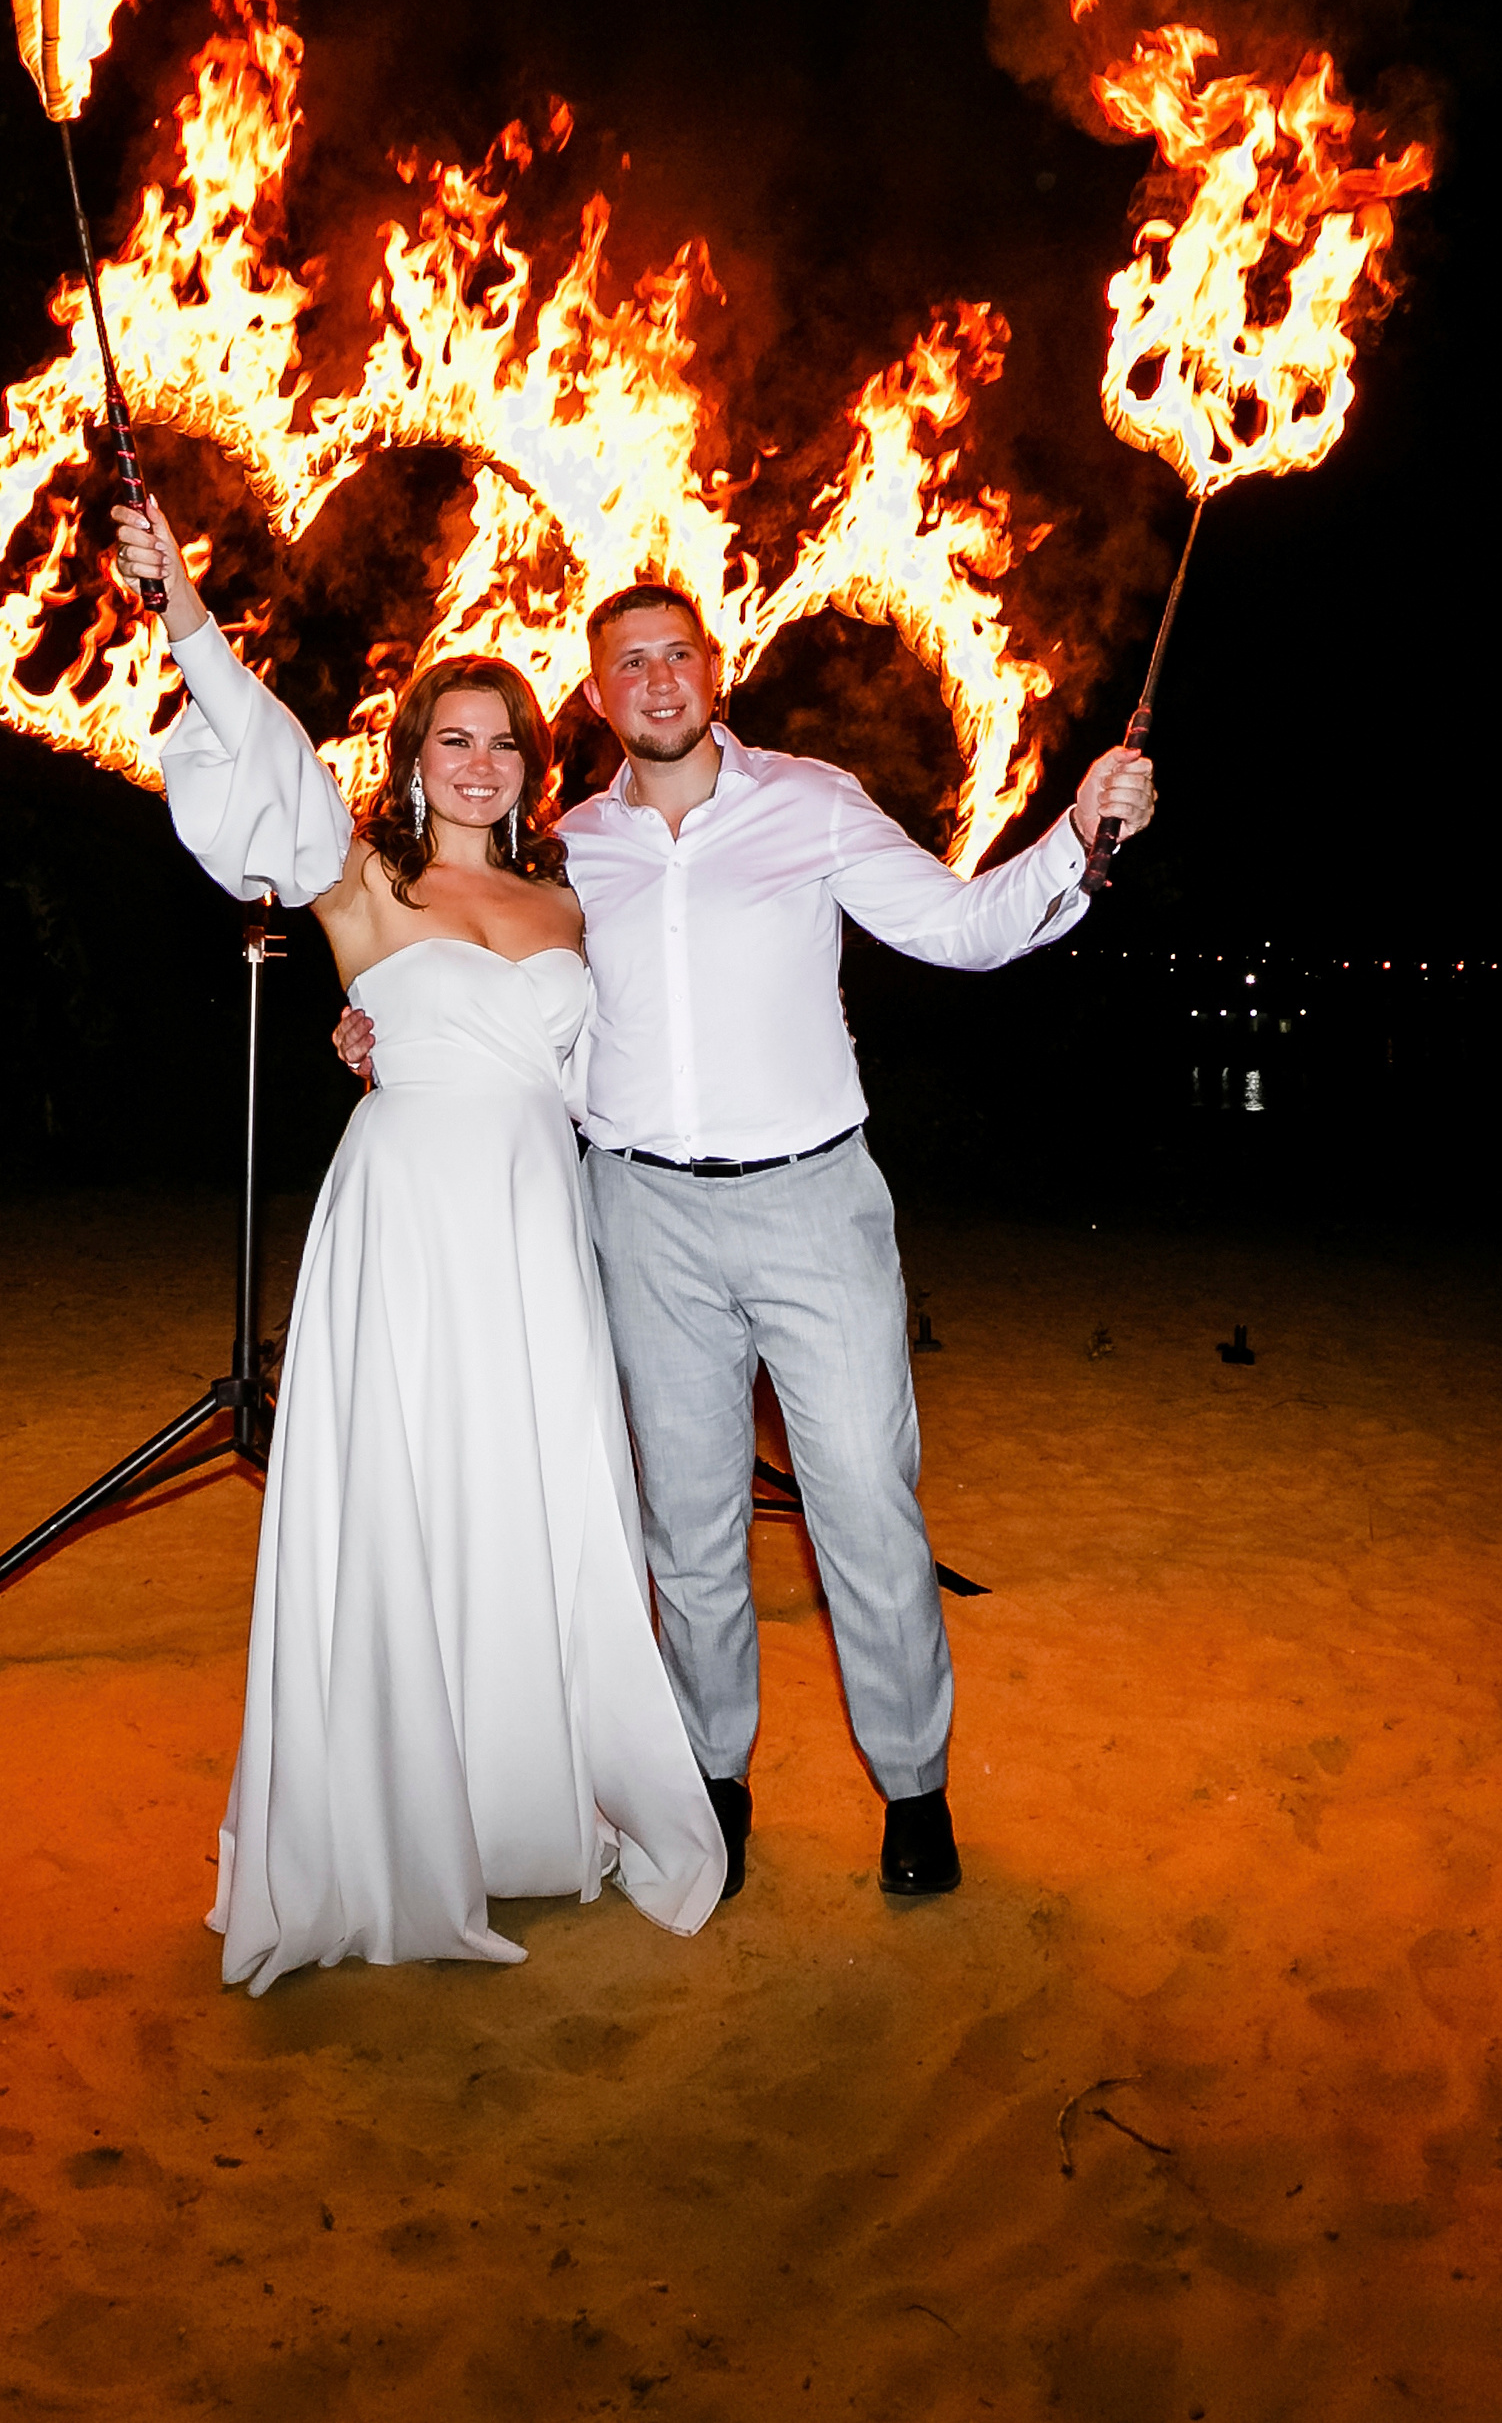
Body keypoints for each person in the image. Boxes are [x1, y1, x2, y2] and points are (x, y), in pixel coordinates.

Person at [337, 583, 1156, 1902]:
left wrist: (1077, 837)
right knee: (689, 1527)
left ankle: (914, 1790)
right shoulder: (564, 852)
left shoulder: (813, 801)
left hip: (812, 1202)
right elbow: (492, 995)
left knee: (866, 1510)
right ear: (595, 699)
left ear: (716, 671)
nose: (656, 681)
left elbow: (958, 928)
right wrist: (378, 1028)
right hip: (641, 1212)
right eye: (627, 667)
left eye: (677, 655)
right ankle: (711, 1778)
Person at [110, 498, 727, 1994]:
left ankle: (524, 1803)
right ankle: (390, 1823)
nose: (482, 763)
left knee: (532, 1498)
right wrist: (190, 615)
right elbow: (265, 771)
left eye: (504, 741)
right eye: (454, 739)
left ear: (533, 762)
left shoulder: (571, 895)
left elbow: (620, 1074)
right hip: (404, 1227)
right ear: (414, 760)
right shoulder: (366, 884)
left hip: (538, 1232)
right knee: (407, 1495)